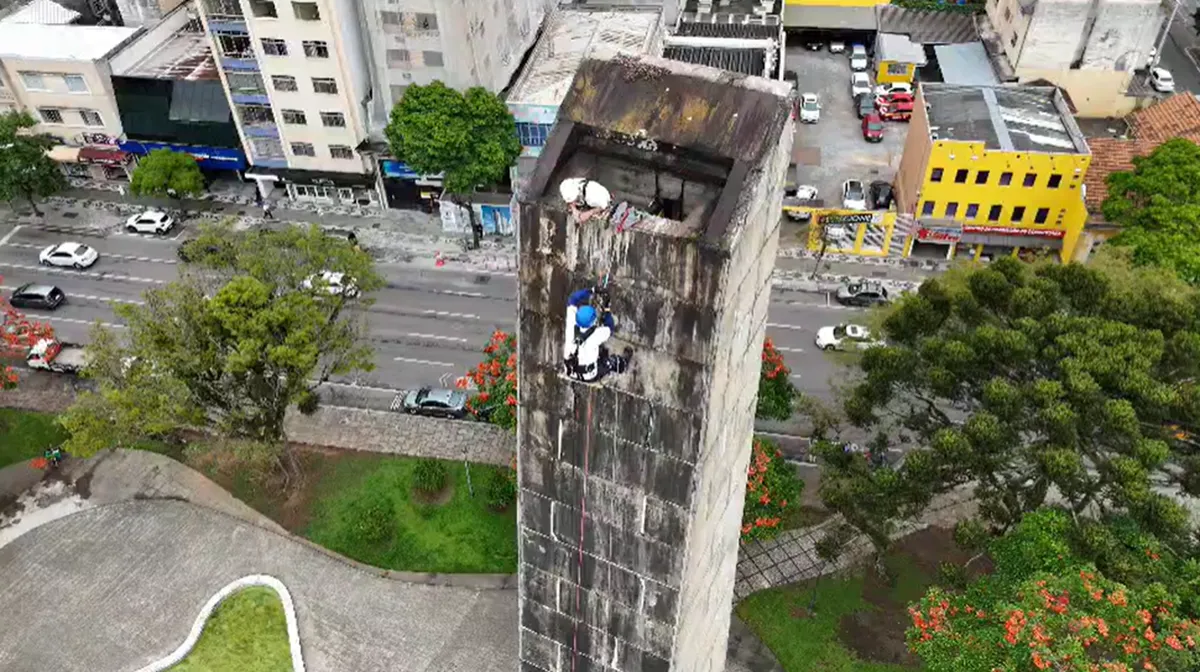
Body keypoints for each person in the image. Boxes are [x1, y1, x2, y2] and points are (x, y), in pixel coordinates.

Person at [563, 287, 631, 383]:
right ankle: (623, 365)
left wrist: (592, 290)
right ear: (592, 322)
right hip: (588, 376)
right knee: (611, 362)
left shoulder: (571, 322)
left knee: (594, 351)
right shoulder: (596, 334)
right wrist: (607, 309)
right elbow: (610, 327)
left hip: (570, 371)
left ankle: (599, 355)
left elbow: (573, 299)